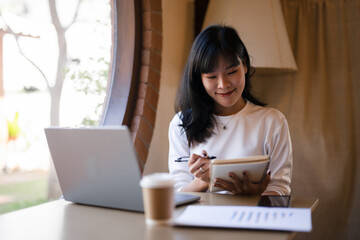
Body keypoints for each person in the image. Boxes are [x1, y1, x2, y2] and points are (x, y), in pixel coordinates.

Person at [168, 25, 292, 196]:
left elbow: (280, 189)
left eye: (232, 72)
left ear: (245, 66)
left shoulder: (272, 122)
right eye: (211, 77)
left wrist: (254, 195)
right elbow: (176, 195)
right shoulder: (181, 124)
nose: (223, 84)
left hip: (250, 221)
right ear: (200, 78)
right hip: (200, 221)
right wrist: (203, 180)